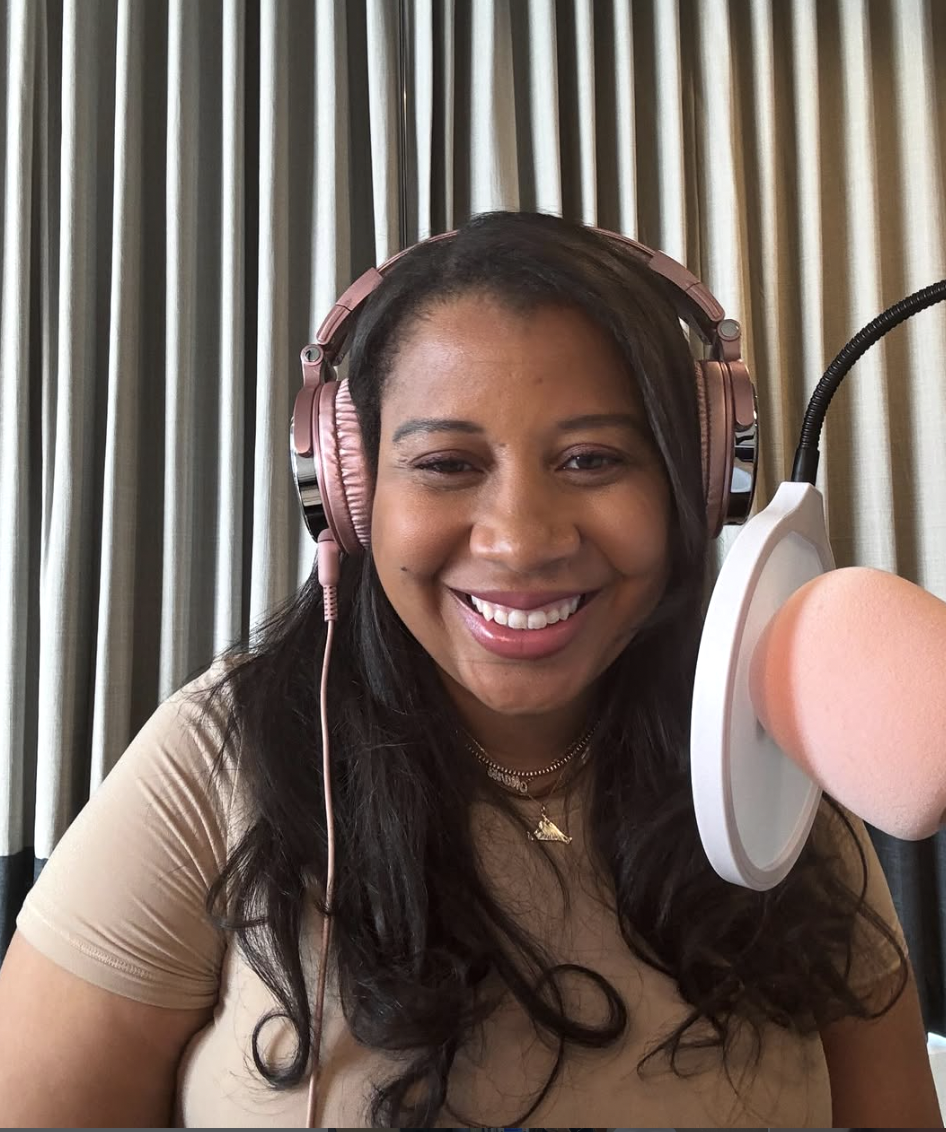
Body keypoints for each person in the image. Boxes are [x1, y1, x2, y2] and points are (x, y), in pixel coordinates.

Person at [0, 212, 940, 1129]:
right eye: (447, 463)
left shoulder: (769, 760)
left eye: (592, 459)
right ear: (352, 493)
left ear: (693, 481)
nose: (521, 542)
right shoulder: (219, 760)